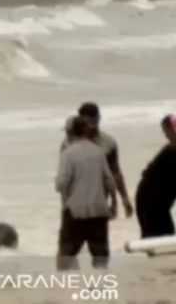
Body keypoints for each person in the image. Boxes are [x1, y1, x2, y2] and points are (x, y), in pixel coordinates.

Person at [56, 116, 116, 270]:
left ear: (69, 132)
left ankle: (69, 288)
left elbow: (62, 183)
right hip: (99, 210)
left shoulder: (68, 154)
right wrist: (113, 204)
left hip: (76, 211)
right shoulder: (98, 152)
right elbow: (109, 180)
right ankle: (99, 288)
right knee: (100, 255)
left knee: (67, 254)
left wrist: (60, 190)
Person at [62, 102, 133, 219]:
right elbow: (65, 179)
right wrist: (65, 206)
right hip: (75, 205)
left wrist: (124, 199)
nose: (92, 126)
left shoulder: (108, 143)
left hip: (99, 203)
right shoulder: (68, 144)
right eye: (89, 123)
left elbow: (115, 173)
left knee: (97, 235)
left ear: (99, 118)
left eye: (95, 121)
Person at [135, 114, 176, 238]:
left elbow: (146, 171)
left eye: (166, 131)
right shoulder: (170, 150)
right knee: (160, 235)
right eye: (165, 132)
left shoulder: (169, 150)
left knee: (164, 234)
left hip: (156, 201)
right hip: (151, 202)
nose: (166, 135)